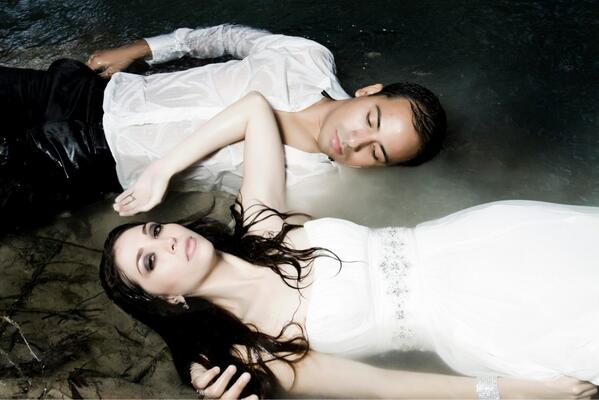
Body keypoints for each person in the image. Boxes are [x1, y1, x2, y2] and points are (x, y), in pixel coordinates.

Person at [100, 92, 598, 399]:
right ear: (167, 299)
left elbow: (254, 109)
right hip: (477, 321)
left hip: (483, 240)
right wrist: (519, 392)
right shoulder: (256, 348)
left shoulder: (261, 224)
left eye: (156, 230)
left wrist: (161, 169)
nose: (169, 241)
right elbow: (386, 387)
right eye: (150, 261)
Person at [0, 24, 445, 229]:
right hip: (96, 92)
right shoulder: (307, 57)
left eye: (376, 152)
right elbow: (222, 37)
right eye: (371, 120)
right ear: (368, 92)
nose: (354, 141)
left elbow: (251, 227)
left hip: (98, 161)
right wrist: (139, 49)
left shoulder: (314, 187)